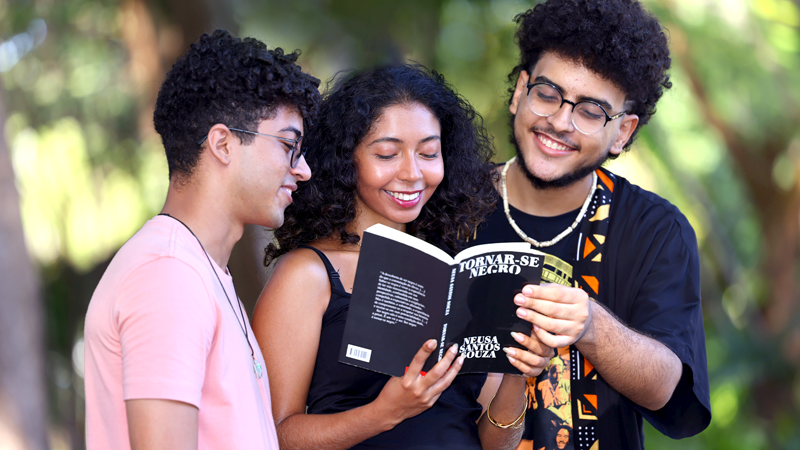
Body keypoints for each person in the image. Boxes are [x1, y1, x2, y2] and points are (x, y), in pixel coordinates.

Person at [252, 64, 553, 450]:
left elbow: (497, 443)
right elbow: (273, 434)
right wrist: (384, 413)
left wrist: (518, 372)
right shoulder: (309, 274)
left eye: (429, 153)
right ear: (347, 160)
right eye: (387, 153)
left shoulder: (460, 275)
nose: (412, 173)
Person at [469, 1, 712, 449]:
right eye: (547, 93)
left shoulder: (657, 230)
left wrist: (590, 325)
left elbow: (669, 391)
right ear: (520, 90)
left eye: (591, 111)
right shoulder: (448, 204)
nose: (560, 122)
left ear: (622, 132)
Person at [83, 30, 320, 450]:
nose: (303, 170)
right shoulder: (168, 275)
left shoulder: (199, 270)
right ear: (223, 143)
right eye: (288, 146)